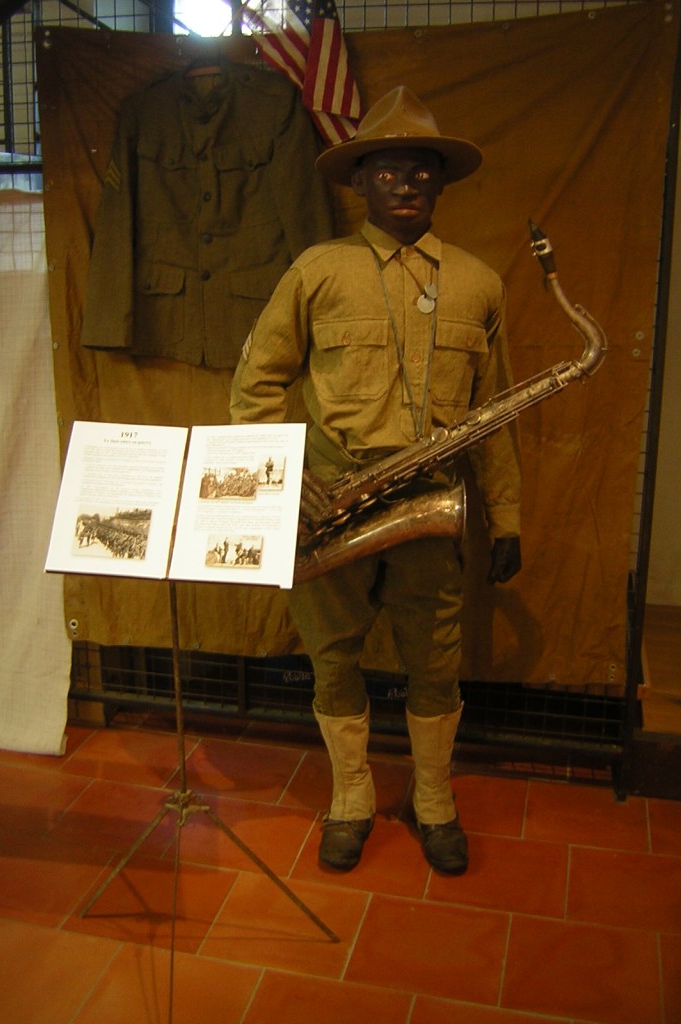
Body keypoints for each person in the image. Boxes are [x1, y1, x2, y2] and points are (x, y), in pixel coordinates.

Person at [230, 87, 522, 875]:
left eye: (421, 170)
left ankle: (433, 800)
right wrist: (285, 479)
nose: (405, 185)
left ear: (440, 181)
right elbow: (255, 385)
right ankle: (352, 797)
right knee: (332, 657)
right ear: (359, 181)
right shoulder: (317, 270)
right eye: (387, 170)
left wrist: (507, 517)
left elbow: (496, 415)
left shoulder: (479, 283)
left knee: (436, 660)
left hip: (433, 504)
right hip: (330, 503)